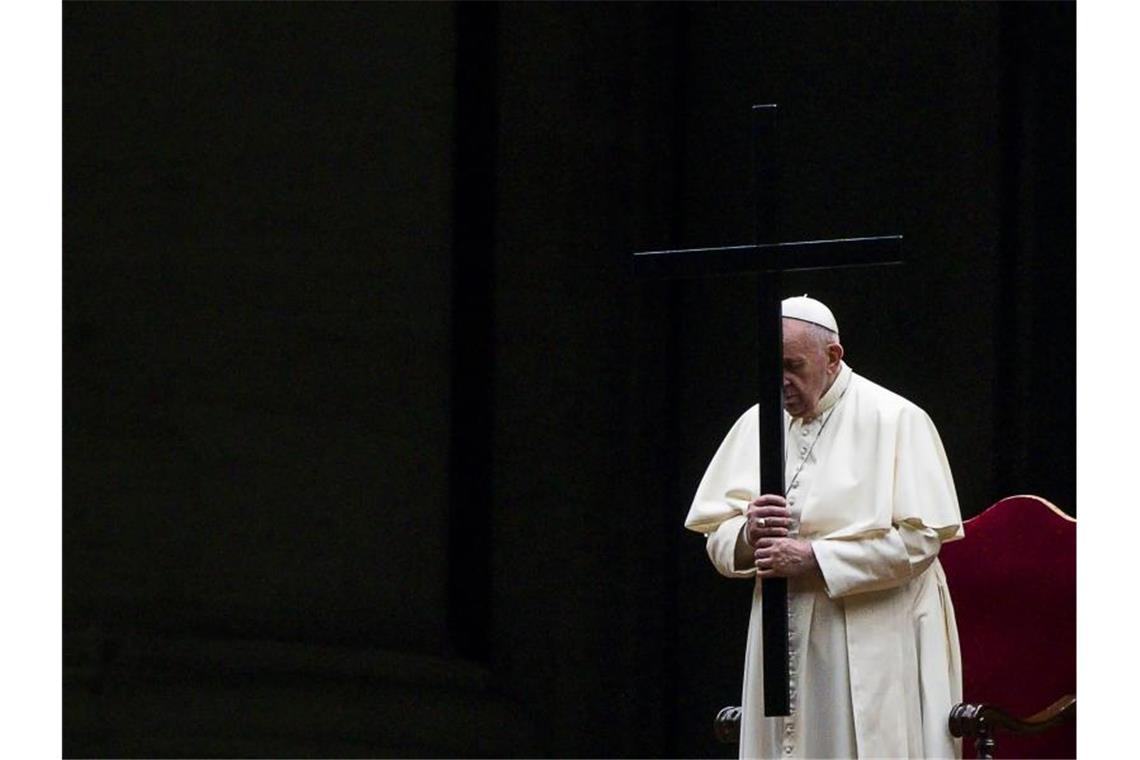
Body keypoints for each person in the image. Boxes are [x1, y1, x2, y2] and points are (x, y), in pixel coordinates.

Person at [684, 295, 964, 759]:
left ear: (832, 357)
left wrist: (815, 558)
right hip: (779, 633)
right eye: (771, 367)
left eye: (793, 366)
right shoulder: (758, 423)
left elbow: (921, 541)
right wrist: (748, 537)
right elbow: (716, 538)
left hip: (872, 629)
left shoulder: (894, 418)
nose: (781, 382)